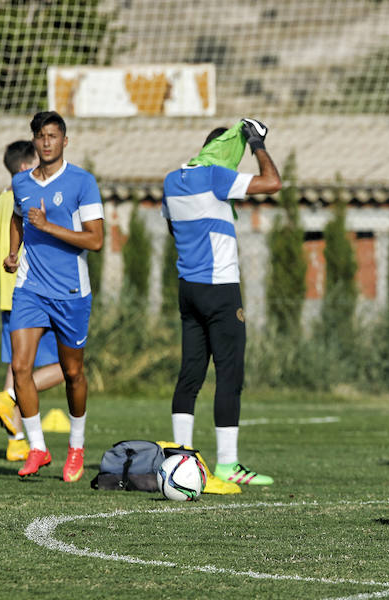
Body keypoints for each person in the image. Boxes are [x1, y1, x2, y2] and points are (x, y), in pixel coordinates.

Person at [162, 118, 282, 487]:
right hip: (220, 287)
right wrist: (257, 144)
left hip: (188, 288)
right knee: (229, 376)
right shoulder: (215, 176)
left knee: (190, 374)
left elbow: (172, 226)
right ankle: (228, 465)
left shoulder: (172, 180)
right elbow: (273, 182)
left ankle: (180, 463)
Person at [5, 111, 104, 481]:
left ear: (65, 141)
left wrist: (49, 226)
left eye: (53, 136)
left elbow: (96, 240)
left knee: (72, 372)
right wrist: (14, 253)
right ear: (34, 141)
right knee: (20, 368)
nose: (46, 142)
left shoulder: (82, 182)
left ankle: (76, 448)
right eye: (41, 136)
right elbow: (18, 218)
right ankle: (38, 448)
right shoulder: (20, 182)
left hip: (70, 292)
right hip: (30, 287)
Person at [0, 140, 65, 462]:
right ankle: (8, 397)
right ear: (23, 168)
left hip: (8, 295)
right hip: (33, 293)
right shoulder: (31, 199)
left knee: (16, 365)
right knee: (66, 366)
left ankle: (17, 441)